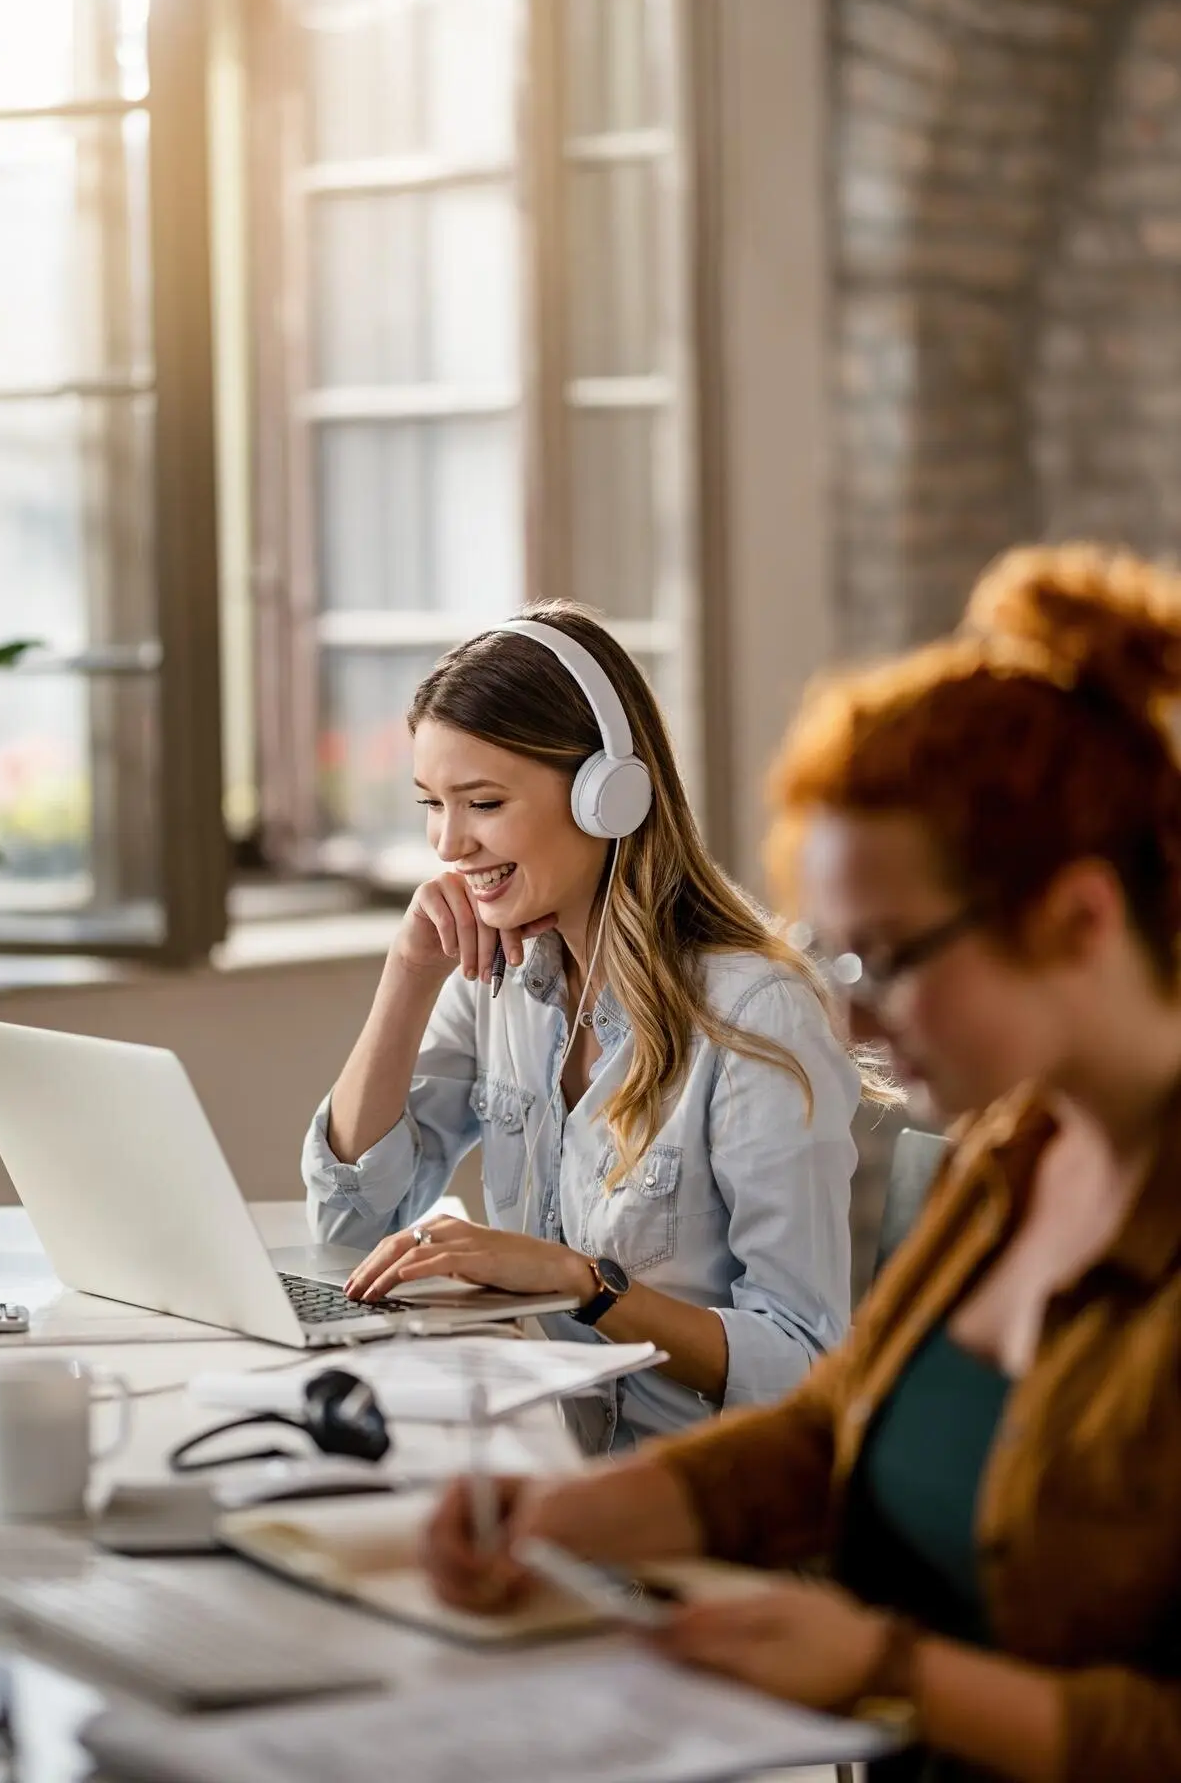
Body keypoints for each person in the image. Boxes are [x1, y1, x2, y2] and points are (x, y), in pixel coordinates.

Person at [421, 545, 1181, 1781]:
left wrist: (891, 1671)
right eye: (838, 957)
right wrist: (567, 1513)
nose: (854, 1021)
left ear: (1079, 920)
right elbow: (836, 1424)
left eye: (888, 957)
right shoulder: (1017, 1161)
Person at [302, 601, 862, 1451]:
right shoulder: (498, 981)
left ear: (609, 795)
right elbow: (349, 1225)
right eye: (431, 803)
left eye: (482, 802)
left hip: (682, 1510)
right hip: (533, 1462)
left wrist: (583, 1284)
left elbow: (805, 1362)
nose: (449, 843)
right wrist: (408, 975)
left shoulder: (756, 1015)